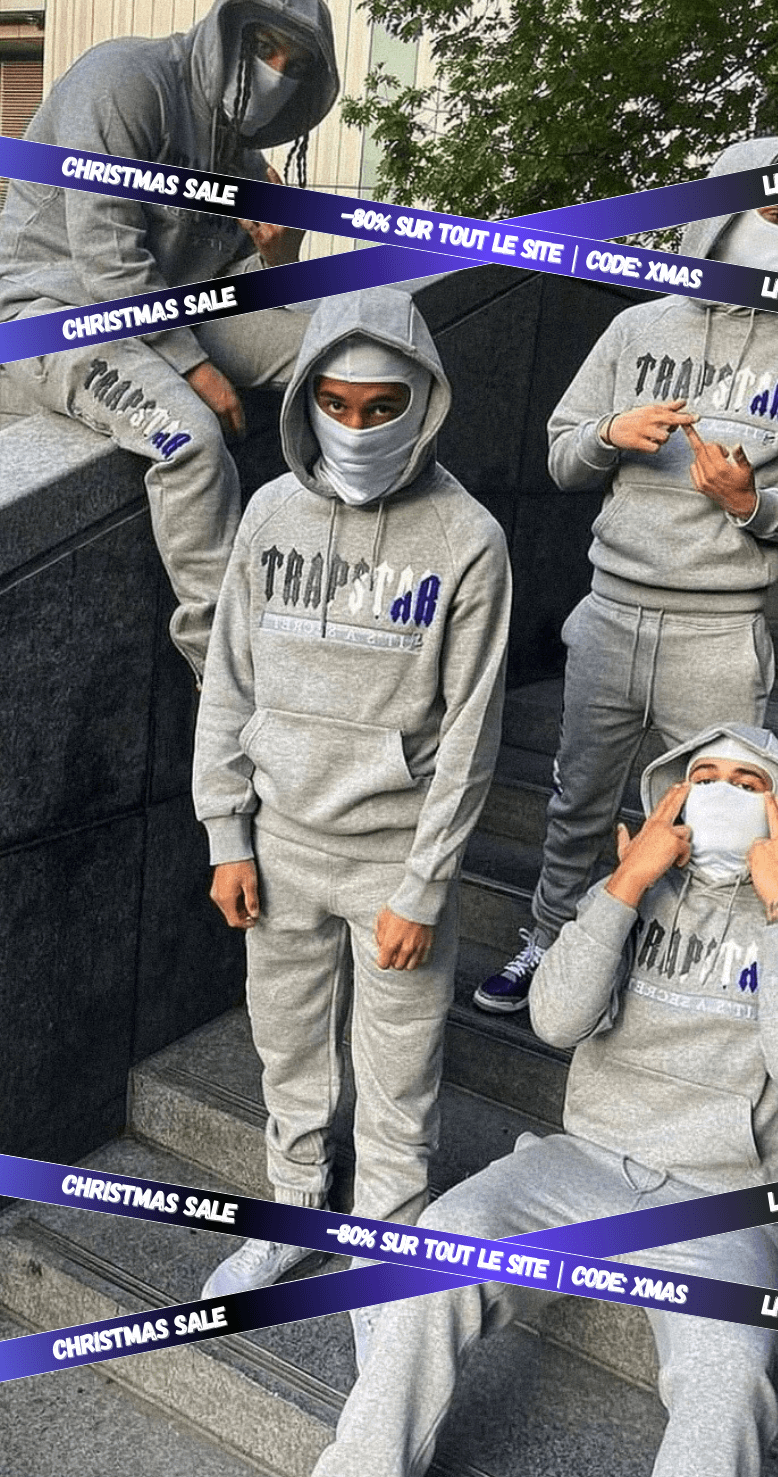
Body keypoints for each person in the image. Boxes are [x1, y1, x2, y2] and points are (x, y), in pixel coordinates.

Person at [306, 724, 778, 1477]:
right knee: (441, 1244)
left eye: (749, 785)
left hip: (723, 1204)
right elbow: (556, 1018)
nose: (723, 795)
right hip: (583, 1161)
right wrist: (626, 884)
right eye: (706, 777)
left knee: (731, 1375)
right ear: (674, 797)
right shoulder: (629, 897)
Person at [475, 135, 778, 1015]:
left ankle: (670, 977)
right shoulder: (636, 328)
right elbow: (561, 455)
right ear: (722, 212)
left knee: (720, 822)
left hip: (720, 631)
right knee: (579, 799)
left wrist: (752, 503)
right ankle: (552, 942)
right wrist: (609, 434)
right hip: (611, 611)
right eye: (774, 209)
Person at [192, 285, 511, 1297]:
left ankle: (386, 1244)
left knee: (399, 1065)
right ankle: (292, 1209)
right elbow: (229, 680)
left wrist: (424, 886)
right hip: (279, 843)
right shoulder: (268, 513)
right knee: (285, 1047)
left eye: (383, 406)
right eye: (335, 403)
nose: (358, 427)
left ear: (425, 402)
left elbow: (472, 732)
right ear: (305, 402)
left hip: (392, 859)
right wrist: (225, 833)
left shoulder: (468, 538)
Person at [0, 0, 340, 679]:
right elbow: (107, 258)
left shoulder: (242, 158)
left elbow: (230, 283)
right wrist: (194, 369)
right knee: (190, 440)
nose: (277, 73)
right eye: (266, 47)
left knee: (341, 355)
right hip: (53, 311)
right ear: (228, 31)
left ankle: (344, 581)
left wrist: (279, 259)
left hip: (175, 310)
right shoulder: (122, 81)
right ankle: (227, 675)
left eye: (295, 64)